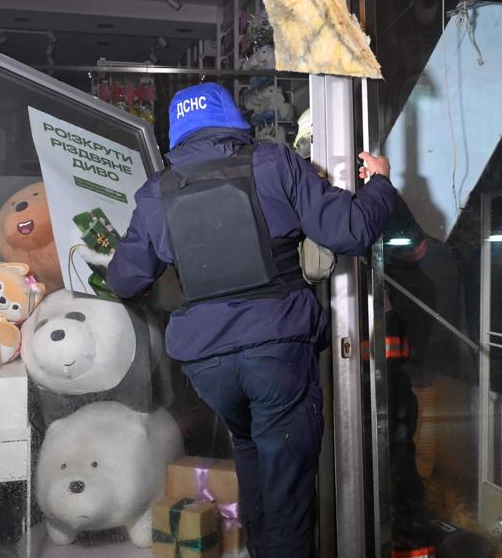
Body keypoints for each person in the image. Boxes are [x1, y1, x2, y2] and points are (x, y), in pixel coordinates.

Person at [107, 82, 397, 558]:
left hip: (209, 367)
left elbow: (124, 280)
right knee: (288, 496)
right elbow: (349, 231)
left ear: (176, 134)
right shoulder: (273, 162)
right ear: (233, 119)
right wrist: (381, 182)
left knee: (251, 457)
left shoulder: (157, 192)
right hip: (277, 352)